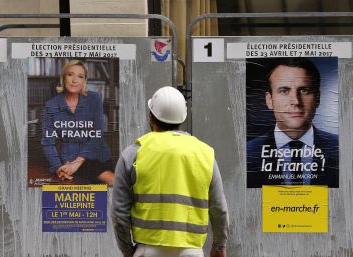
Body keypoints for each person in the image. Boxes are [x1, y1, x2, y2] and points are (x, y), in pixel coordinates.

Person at [112, 86, 229, 257]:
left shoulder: (133, 154)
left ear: (151, 117)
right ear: (182, 118)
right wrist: (219, 245)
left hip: (147, 249)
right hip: (191, 251)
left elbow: (118, 214)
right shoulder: (205, 154)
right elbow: (219, 209)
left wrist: (128, 250)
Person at [247, 57, 338, 188]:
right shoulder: (247, 154)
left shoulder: (341, 149)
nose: (295, 101)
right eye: (284, 91)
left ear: (317, 98)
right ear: (269, 100)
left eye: (304, 90)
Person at [41, 59, 114, 185]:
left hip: (98, 154)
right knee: (114, 184)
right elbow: (48, 142)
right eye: (70, 75)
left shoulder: (94, 98)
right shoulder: (51, 105)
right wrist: (58, 167)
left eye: (80, 76)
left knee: (118, 183)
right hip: (70, 160)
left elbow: (97, 134)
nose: (75, 80)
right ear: (63, 78)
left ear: (84, 81)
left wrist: (78, 162)